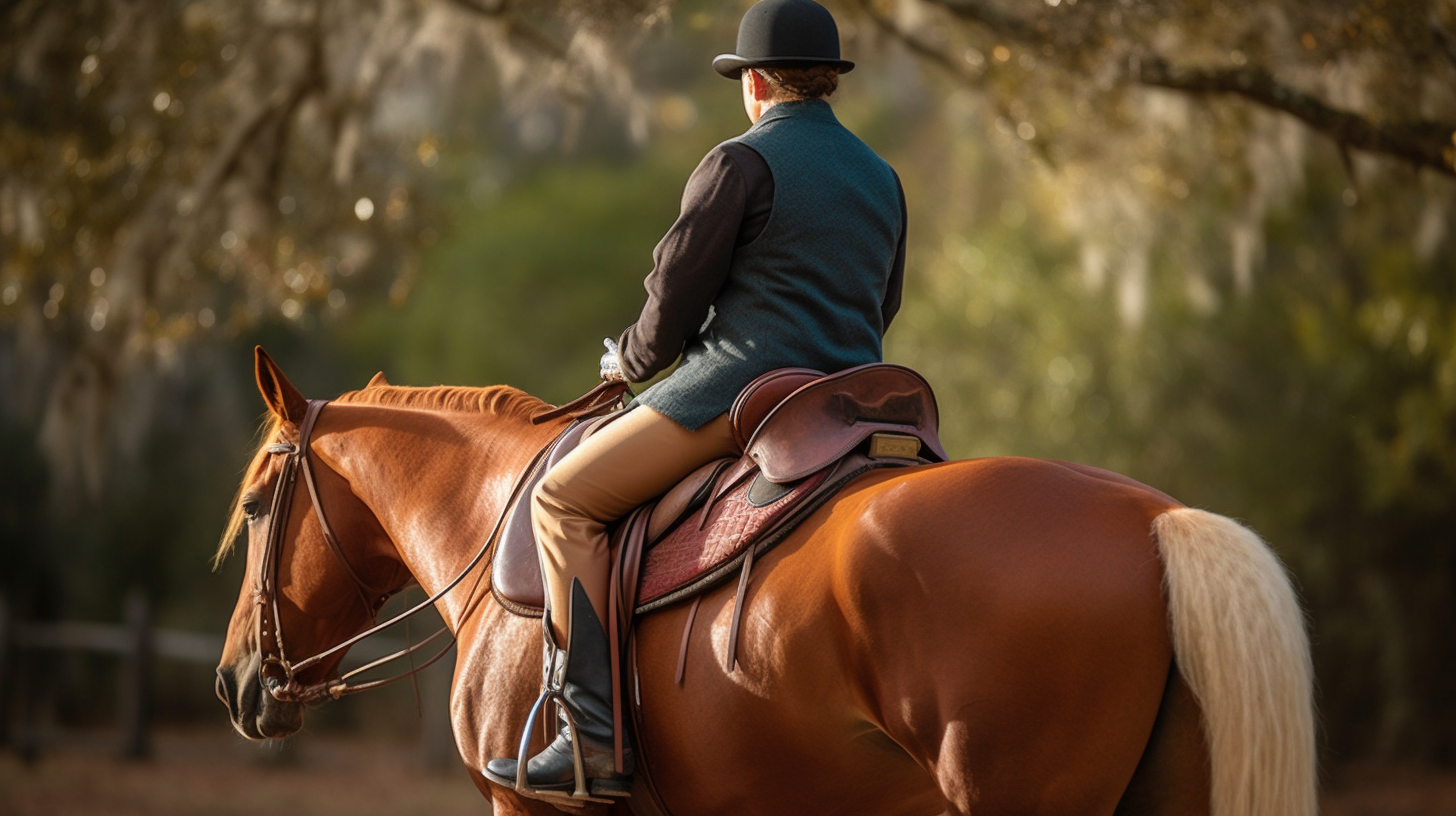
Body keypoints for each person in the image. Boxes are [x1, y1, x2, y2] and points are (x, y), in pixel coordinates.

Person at [484, 0, 907, 800]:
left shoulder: (738, 164)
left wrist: (632, 360)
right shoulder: (882, 179)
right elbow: (881, 307)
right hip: (845, 407)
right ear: (828, 83)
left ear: (753, 83)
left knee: (561, 500)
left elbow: (671, 309)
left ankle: (589, 739)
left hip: (736, 397)